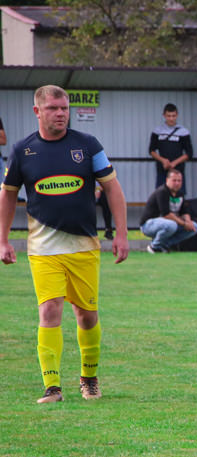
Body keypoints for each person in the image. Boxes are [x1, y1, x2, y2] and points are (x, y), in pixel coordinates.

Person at [0, 84, 129, 403]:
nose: (61, 113)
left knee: (86, 315)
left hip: (83, 247)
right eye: (53, 108)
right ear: (37, 111)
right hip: (43, 249)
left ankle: (89, 378)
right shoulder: (22, 151)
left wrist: (122, 234)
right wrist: (2, 239)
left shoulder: (87, 145)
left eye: (64, 108)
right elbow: (8, 194)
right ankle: (52, 386)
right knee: (49, 310)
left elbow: (112, 188)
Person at [139, 169, 197, 253]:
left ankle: (164, 245)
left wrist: (188, 222)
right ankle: (154, 246)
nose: (177, 183)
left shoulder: (180, 194)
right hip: (148, 225)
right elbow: (166, 214)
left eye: (179, 181)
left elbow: (185, 211)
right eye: (174, 180)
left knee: (195, 227)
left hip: (169, 224)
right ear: (167, 180)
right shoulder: (162, 192)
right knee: (172, 225)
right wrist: (184, 224)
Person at [149, 103, 193, 194]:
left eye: (173, 116)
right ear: (164, 115)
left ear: (177, 115)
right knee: (161, 195)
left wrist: (174, 163)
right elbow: (151, 150)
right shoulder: (157, 131)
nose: (171, 118)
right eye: (168, 116)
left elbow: (189, 153)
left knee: (178, 196)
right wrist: (163, 161)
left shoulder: (183, 131)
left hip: (178, 171)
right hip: (162, 169)